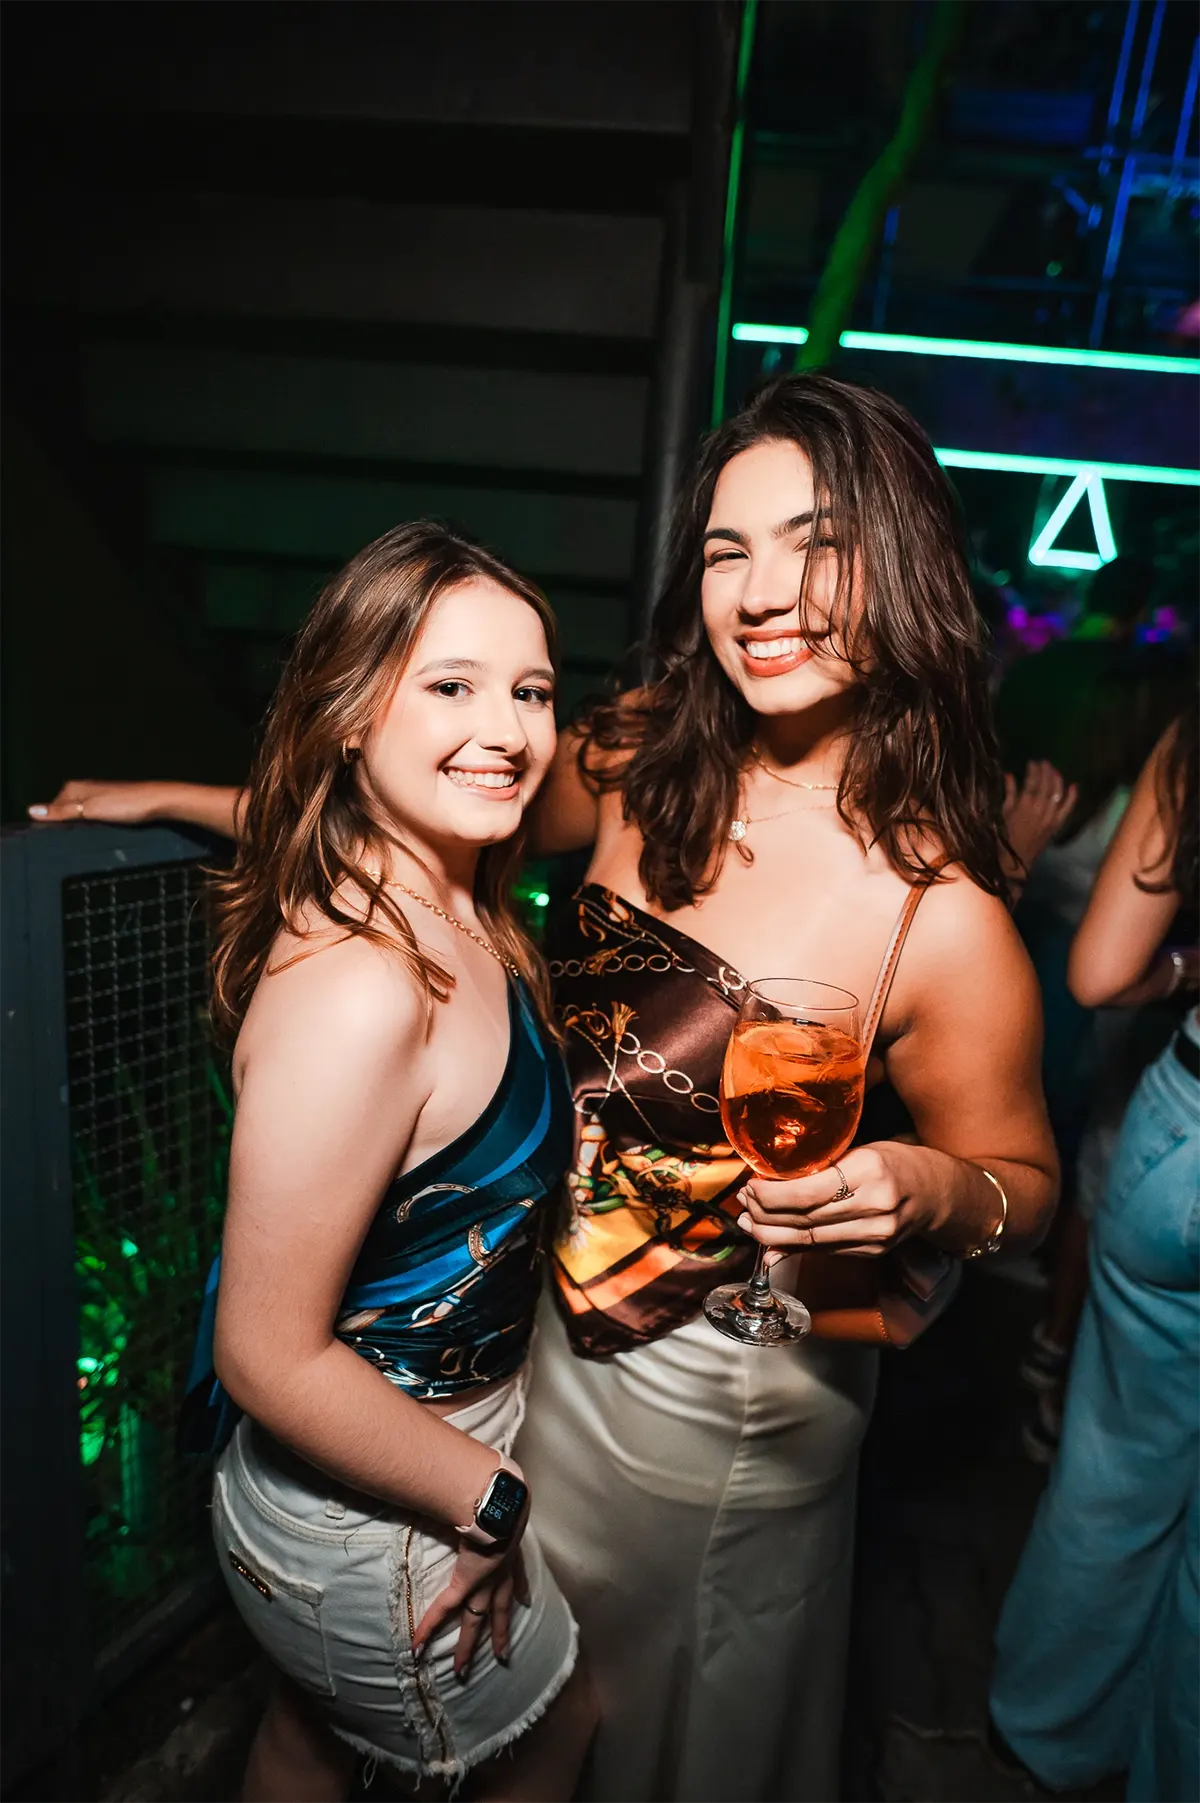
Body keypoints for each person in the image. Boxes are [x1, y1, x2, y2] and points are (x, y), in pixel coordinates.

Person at [33, 375, 1059, 1803]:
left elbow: (1026, 1185)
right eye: (727, 548)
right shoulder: (638, 759)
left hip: (721, 1393)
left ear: (902, 563)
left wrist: (929, 1186)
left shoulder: (941, 919)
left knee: (652, 1720)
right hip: (531, 1355)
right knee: (504, 1704)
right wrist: (171, 800)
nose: (763, 592)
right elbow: (428, 813)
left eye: (816, 543)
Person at [171, 523, 594, 1802]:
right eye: (451, 685)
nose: (507, 731)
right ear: (352, 713)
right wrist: (490, 1500)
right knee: (561, 1738)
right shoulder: (364, 988)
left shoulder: (457, 900)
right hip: (384, 1514)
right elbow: (265, 1353)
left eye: (531, 691)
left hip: (386, 1477)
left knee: (307, 1738)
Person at [989, 699, 1200, 1802]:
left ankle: (1045, 1733)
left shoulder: (1190, 734)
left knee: (1113, 1468)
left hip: (1181, 1130)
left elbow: (1102, 969)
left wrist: (1188, 971)